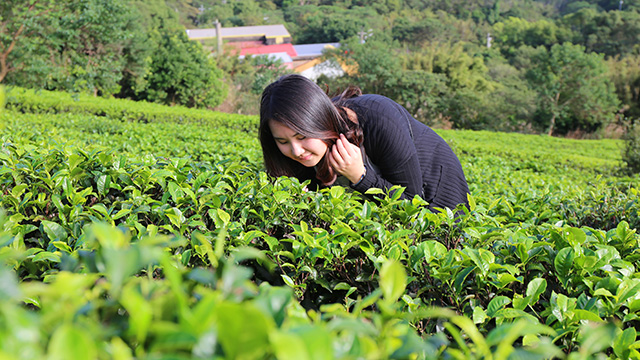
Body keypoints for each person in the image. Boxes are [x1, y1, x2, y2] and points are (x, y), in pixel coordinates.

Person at [259, 74, 469, 212]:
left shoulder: (380, 119)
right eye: (282, 141)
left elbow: (410, 206)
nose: (296, 150)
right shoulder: (303, 150)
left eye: (302, 137)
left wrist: (360, 176)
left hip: (437, 194)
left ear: (318, 122)